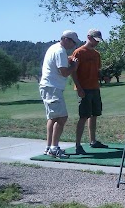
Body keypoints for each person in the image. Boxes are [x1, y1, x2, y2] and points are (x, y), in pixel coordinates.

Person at [39, 30, 81, 158]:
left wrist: (68, 61)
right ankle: (54, 147)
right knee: (62, 117)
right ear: (66, 39)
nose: (74, 46)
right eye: (73, 43)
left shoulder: (54, 48)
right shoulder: (60, 51)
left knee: (53, 118)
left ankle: (49, 147)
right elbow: (64, 72)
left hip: (48, 87)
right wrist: (74, 66)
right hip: (53, 88)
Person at [71, 29, 108, 155]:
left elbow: (98, 71)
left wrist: (103, 78)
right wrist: (79, 88)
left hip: (95, 88)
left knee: (94, 115)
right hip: (84, 89)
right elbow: (73, 72)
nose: (97, 43)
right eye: (95, 40)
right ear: (88, 37)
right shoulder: (79, 52)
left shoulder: (97, 54)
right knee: (83, 116)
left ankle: (93, 141)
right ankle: (78, 145)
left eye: (98, 40)